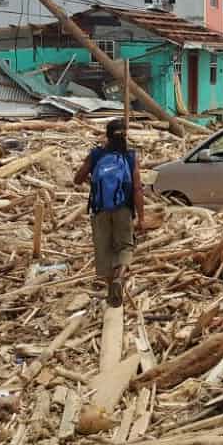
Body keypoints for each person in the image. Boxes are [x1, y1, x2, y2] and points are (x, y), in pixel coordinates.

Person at [73, 119, 145, 307]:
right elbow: (137, 189)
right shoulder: (130, 157)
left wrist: (92, 178)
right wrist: (141, 217)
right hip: (123, 208)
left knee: (103, 251)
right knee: (125, 247)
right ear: (125, 136)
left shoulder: (97, 154)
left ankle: (110, 291)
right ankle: (119, 279)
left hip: (100, 210)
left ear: (107, 135)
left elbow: (77, 179)